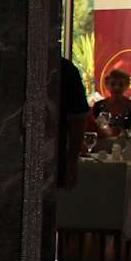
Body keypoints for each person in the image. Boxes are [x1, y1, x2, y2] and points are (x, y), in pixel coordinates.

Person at [59, 57, 90, 189]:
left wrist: (71, 160)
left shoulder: (65, 68)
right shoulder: (65, 68)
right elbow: (78, 119)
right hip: (53, 156)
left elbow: (79, 118)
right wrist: (72, 161)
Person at [91, 68, 131, 137]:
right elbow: (92, 129)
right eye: (113, 84)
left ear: (127, 86)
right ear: (107, 85)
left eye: (121, 84)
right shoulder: (98, 106)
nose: (117, 87)